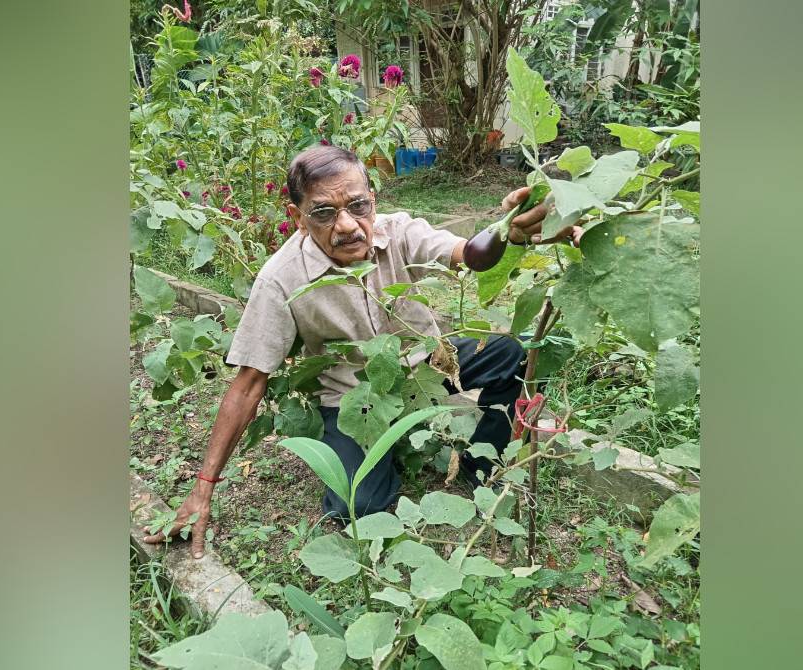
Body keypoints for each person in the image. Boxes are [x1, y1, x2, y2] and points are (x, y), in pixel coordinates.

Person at [143, 144, 581, 558]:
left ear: (372, 200)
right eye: (324, 213)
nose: (348, 225)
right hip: (354, 394)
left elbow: (470, 254)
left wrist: (506, 229)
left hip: (425, 366)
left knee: (509, 352)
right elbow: (248, 384)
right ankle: (367, 448)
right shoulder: (281, 279)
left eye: (358, 206)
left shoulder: (400, 231)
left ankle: (478, 466)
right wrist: (203, 486)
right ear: (297, 218)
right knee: (359, 509)